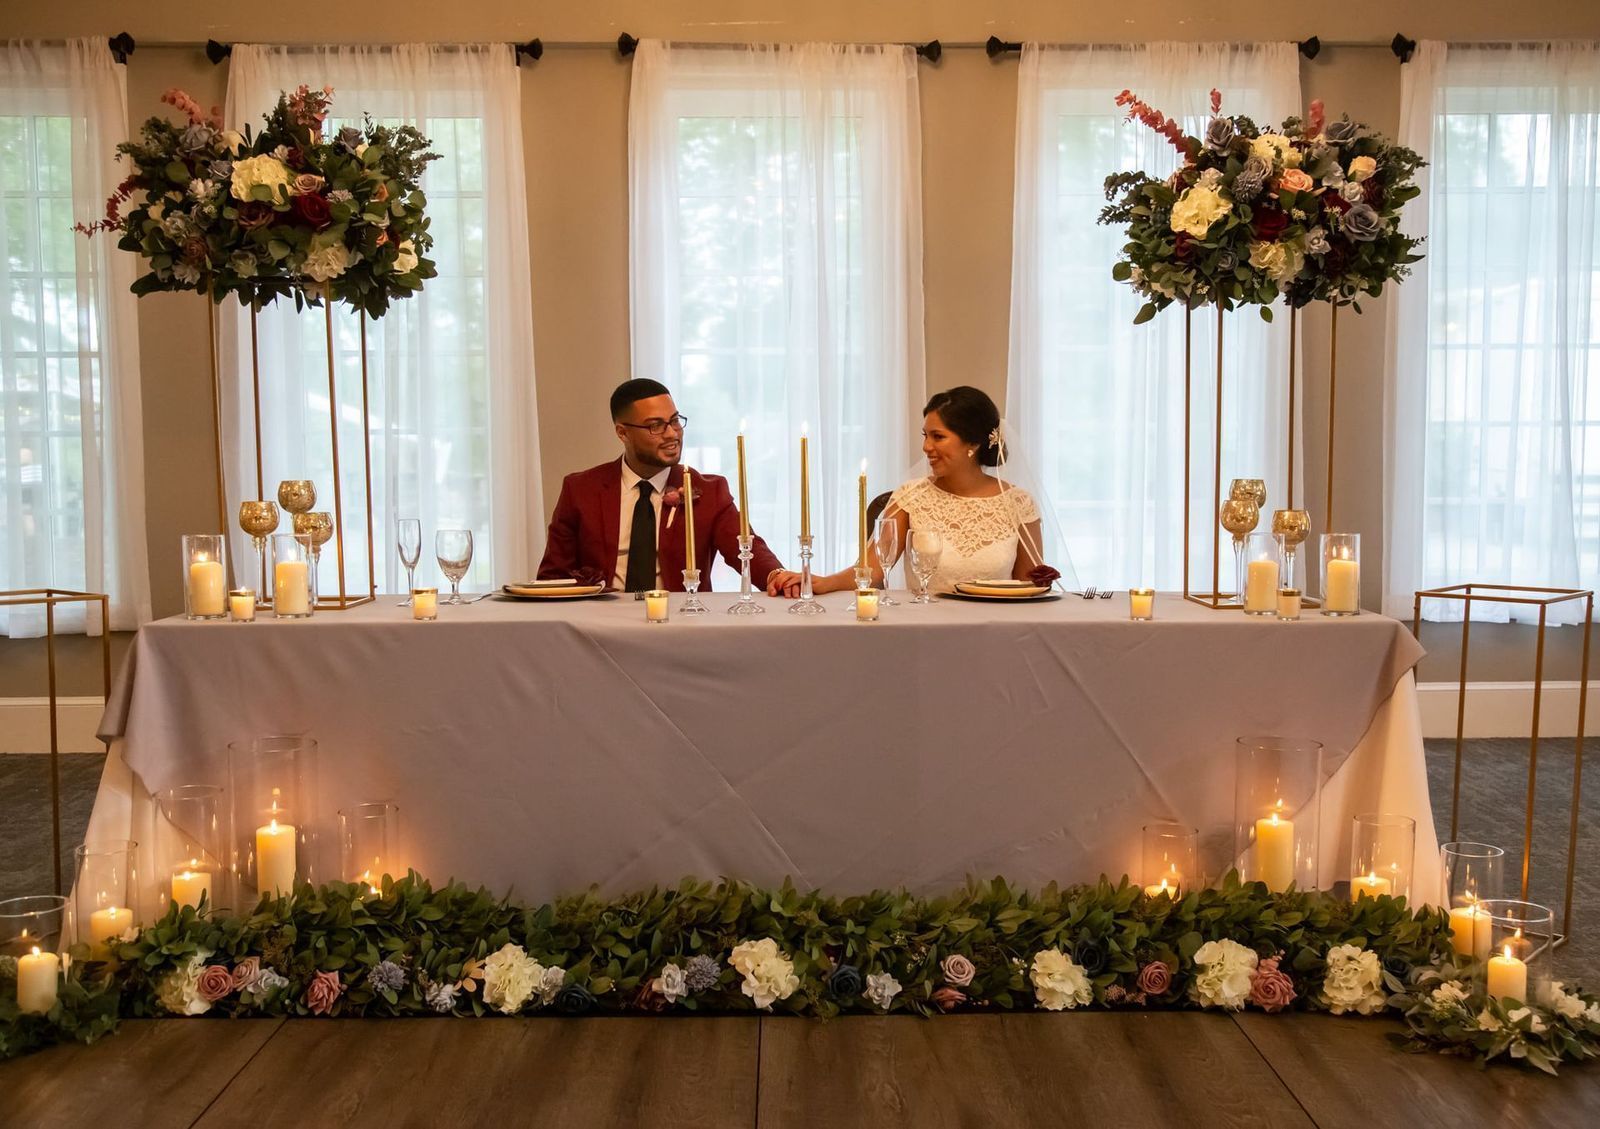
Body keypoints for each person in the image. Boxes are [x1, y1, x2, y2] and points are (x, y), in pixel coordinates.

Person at [538, 379, 799, 595]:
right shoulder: (581, 490)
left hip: (681, 628)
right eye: (656, 426)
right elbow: (553, 577)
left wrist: (778, 576)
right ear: (622, 433)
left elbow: (747, 550)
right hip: (597, 630)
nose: (672, 433)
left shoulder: (708, 490)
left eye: (675, 421)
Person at [811, 386, 1053, 595]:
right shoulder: (911, 496)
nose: (926, 447)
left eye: (938, 437)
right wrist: (823, 582)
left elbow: (1029, 587)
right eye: (925, 436)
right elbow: (872, 570)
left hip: (997, 632)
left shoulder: (1018, 503)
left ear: (973, 443)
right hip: (924, 629)